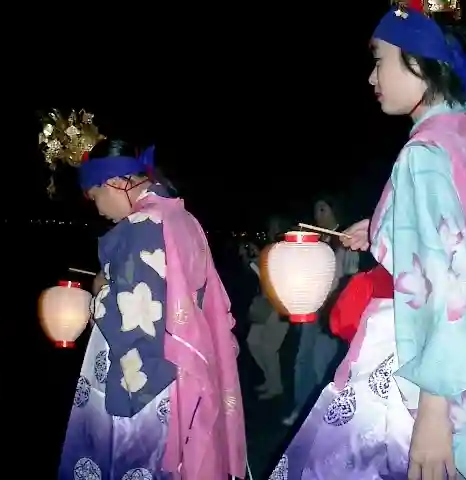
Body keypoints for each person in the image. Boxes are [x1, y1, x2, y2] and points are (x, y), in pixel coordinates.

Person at [268, 2, 466, 479]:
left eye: (379, 60)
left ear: (420, 62)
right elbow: (455, 240)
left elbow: (450, 286)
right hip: (464, 361)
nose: (372, 77)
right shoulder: (461, 140)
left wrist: (433, 408)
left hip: (416, 361)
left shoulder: (422, 154)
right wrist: (381, 226)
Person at [39, 113, 246, 480]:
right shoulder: (182, 218)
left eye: (96, 197)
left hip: (151, 371)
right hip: (182, 359)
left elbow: (133, 313)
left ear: (116, 182)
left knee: (132, 458)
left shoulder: (140, 226)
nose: (98, 209)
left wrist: (99, 291)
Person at [282, 196, 359, 426]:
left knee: (321, 362)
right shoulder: (316, 241)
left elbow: (351, 276)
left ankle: (322, 412)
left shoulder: (345, 239)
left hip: (331, 311)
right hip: (312, 307)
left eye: (323, 209)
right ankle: (302, 408)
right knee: (302, 359)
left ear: (335, 211)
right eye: (316, 210)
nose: (318, 215)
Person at [243, 215, 291, 400]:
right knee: (253, 341)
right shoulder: (270, 248)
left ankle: (275, 386)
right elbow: (262, 276)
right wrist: (252, 260)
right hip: (265, 303)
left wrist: (257, 261)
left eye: (275, 227)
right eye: (271, 227)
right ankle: (271, 380)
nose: (272, 231)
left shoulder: (287, 250)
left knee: (269, 348)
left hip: (280, 304)